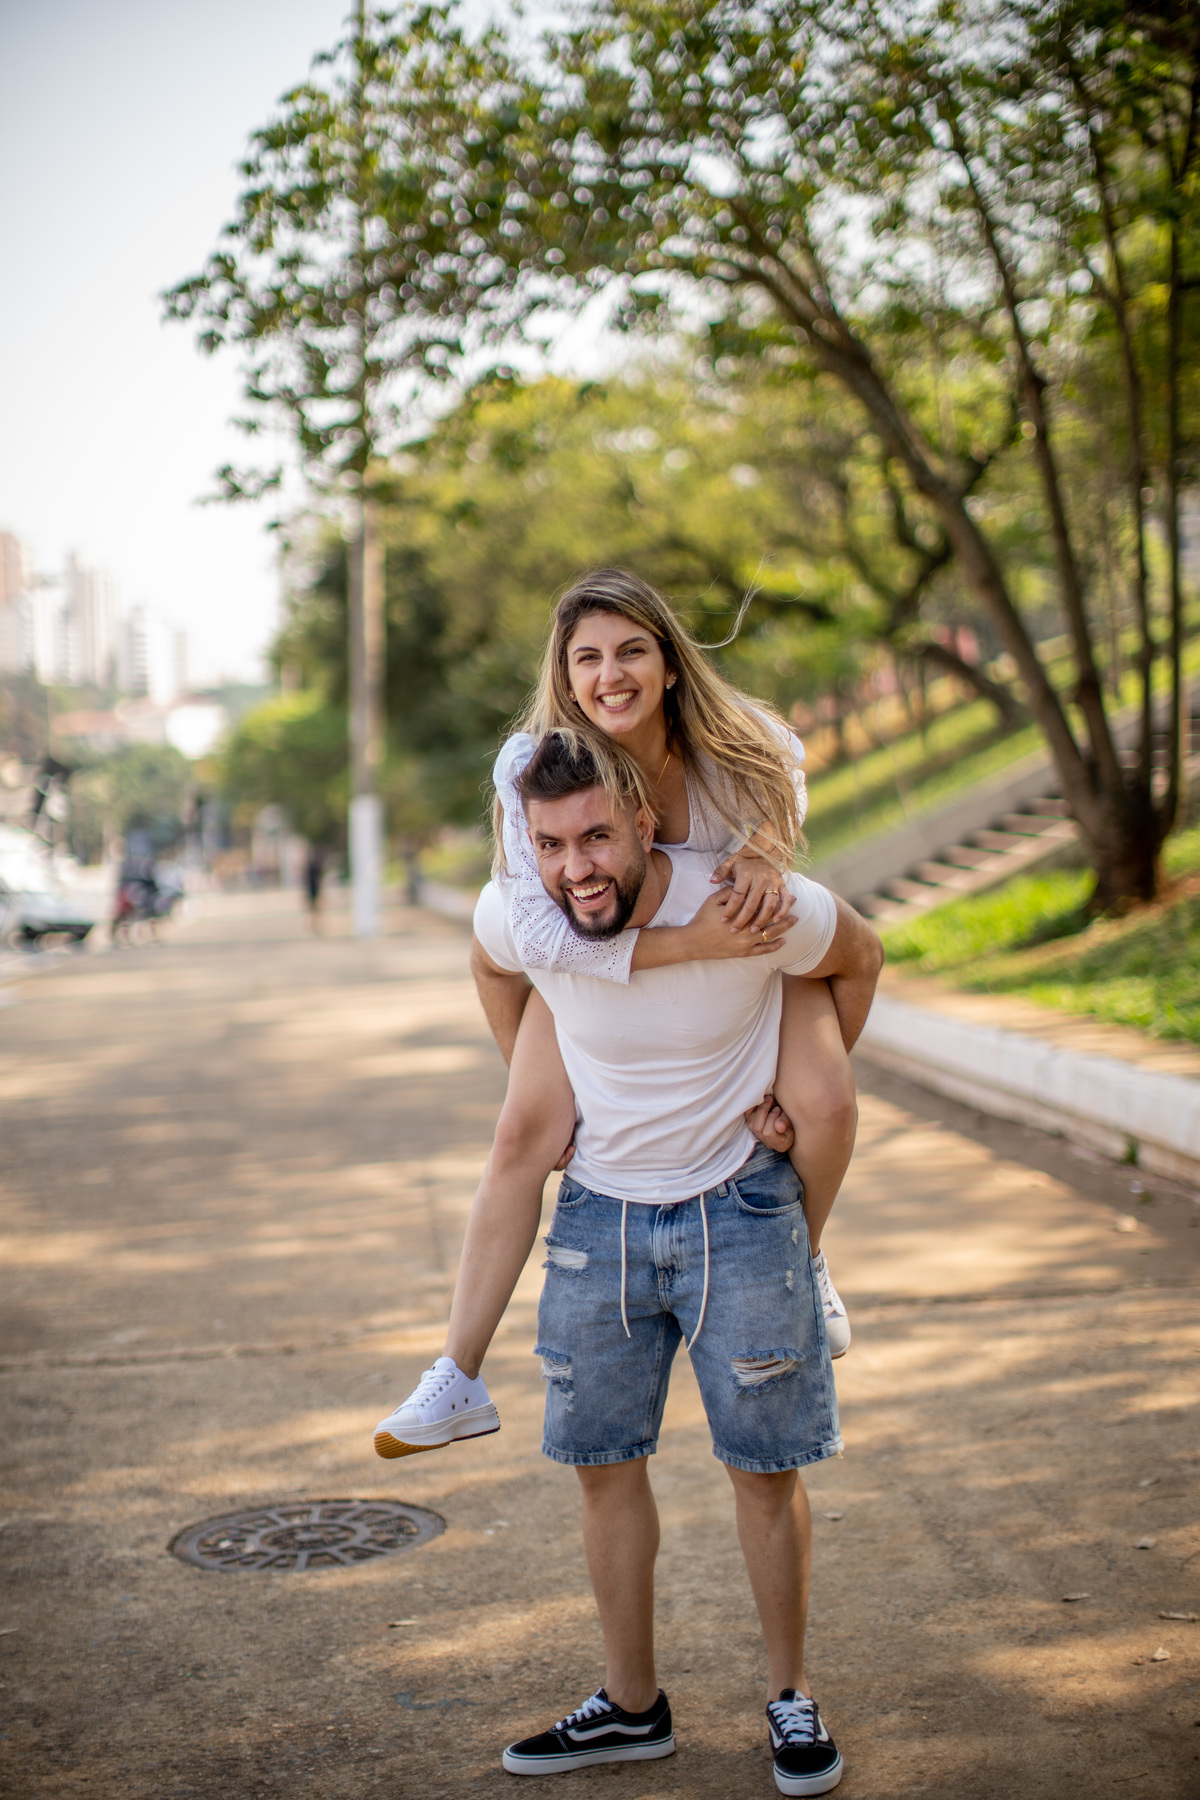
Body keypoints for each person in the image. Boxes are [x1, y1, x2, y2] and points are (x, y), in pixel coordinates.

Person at [433, 732, 882, 1792]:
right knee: (603, 1474)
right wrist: (531, 1075)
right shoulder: (531, 917)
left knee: (764, 1475)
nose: (577, 864)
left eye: (596, 835)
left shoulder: (745, 904)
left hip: (742, 1213)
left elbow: (856, 957)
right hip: (599, 1228)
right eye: (551, 843)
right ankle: (631, 1708)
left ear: (645, 822)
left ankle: (790, 1698)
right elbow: (490, 959)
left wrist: (806, 1075)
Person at [374, 570, 859, 1462]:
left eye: (632, 650)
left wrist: (759, 850)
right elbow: (532, 936)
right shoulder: (536, 767)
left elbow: (787, 772)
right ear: (564, 671)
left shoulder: (734, 742)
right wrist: (685, 951)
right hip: (624, 958)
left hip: (745, 951)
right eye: (587, 657)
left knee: (824, 1104)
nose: (612, 675)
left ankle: (810, 1260)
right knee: (523, 1129)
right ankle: (458, 1372)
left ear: (669, 663)